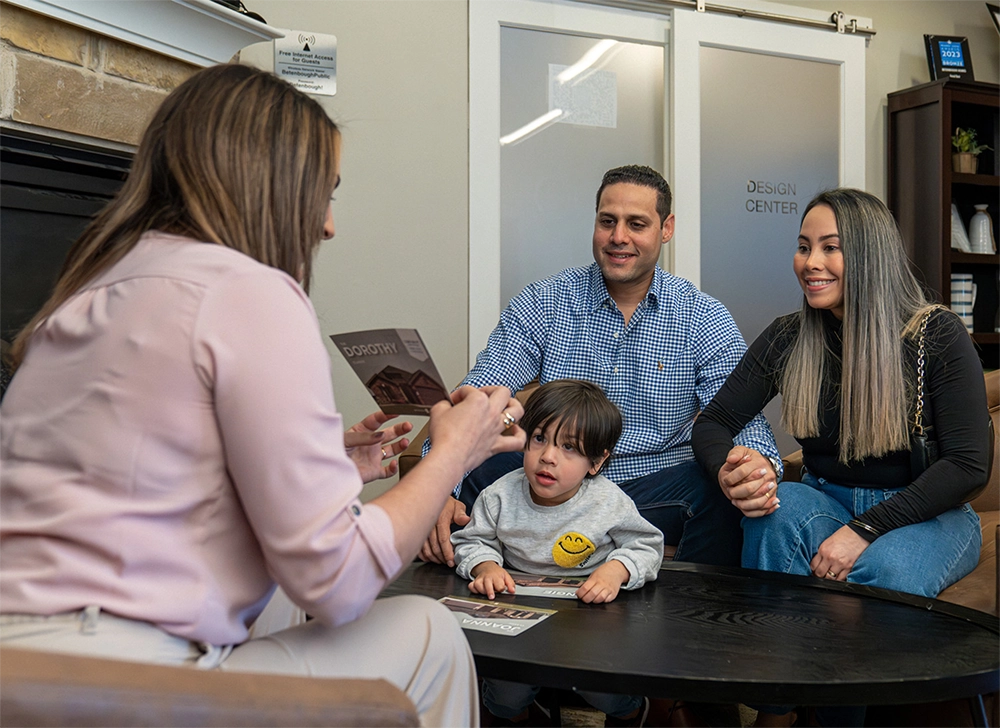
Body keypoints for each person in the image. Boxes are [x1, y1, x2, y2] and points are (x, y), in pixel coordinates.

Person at [0, 64, 527, 728]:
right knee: (431, 634)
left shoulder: (93, 290)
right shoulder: (247, 291)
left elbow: (128, 470)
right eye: (325, 192)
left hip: (17, 662)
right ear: (272, 182)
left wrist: (328, 460)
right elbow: (336, 583)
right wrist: (454, 454)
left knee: (275, 593)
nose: (330, 225)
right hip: (120, 678)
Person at [692, 188, 990, 728]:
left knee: (880, 570)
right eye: (804, 247)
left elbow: (969, 466)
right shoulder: (789, 335)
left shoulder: (935, 335)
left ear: (869, 253)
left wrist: (867, 529)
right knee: (771, 517)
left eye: (830, 248)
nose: (811, 264)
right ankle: (775, 711)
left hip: (929, 513)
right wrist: (728, 468)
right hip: (827, 499)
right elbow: (712, 423)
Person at [422, 164, 780, 569]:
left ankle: (677, 618)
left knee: (716, 487)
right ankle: (490, 601)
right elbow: (480, 395)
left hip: (651, 493)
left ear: (666, 228)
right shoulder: (545, 302)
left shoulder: (702, 317)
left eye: (636, 224)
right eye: (607, 221)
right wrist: (435, 487)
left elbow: (739, 417)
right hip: (549, 489)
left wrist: (758, 467)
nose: (618, 237)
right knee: (478, 461)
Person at [452, 379, 663, 728]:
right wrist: (485, 566)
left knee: (604, 692)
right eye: (539, 439)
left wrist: (615, 571)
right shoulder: (499, 495)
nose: (548, 456)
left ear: (596, 462)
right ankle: (519, 712)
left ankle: (629, 711)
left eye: (570, 448)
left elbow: (647, 545)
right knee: (505, 696)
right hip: (518, 609)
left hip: (589, 614)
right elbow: (471, 541)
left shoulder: (608, 502)